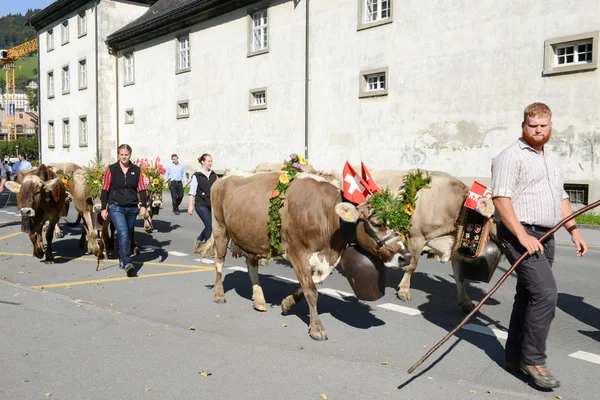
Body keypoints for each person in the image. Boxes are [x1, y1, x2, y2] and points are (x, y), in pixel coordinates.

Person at [491, 102, 588, 390]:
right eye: (533, 125)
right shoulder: (510, 156)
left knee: (529, 294)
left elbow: (561, 199)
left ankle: (513, 357)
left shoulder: (552, 160)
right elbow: (501, 198)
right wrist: (521, 236)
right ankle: (533, 360)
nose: (538, 130)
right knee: (546, 293)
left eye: (543, 125)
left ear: (550, 126)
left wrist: (574, 230)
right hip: (522, 233)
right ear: (524, 125)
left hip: (548, 234)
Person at [100, 144, 148, 277]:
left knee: (127, 233)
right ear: (118, 155)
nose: (124, 157)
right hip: (116, 206)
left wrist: (143, 205)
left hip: (132, 207)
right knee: (124, 232)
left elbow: (142, 188)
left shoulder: (136, 170)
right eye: (121, 154)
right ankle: (127, 262)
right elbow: (105, 189)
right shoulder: (111, 169)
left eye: (126, 154)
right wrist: (104, 208)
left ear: (130, 155)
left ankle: (122, 258)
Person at [188, 153, 217, 253]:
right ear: (202, 162)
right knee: (209, 224)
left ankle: (199, 240)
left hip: (211, 204)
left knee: (212, 225)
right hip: (201, 204)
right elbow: (192, 192)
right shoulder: (197, 176)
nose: (210, 163)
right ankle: (208, 248)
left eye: (211, 161)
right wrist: (190, 206)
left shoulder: (213, 174)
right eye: (208, 161)